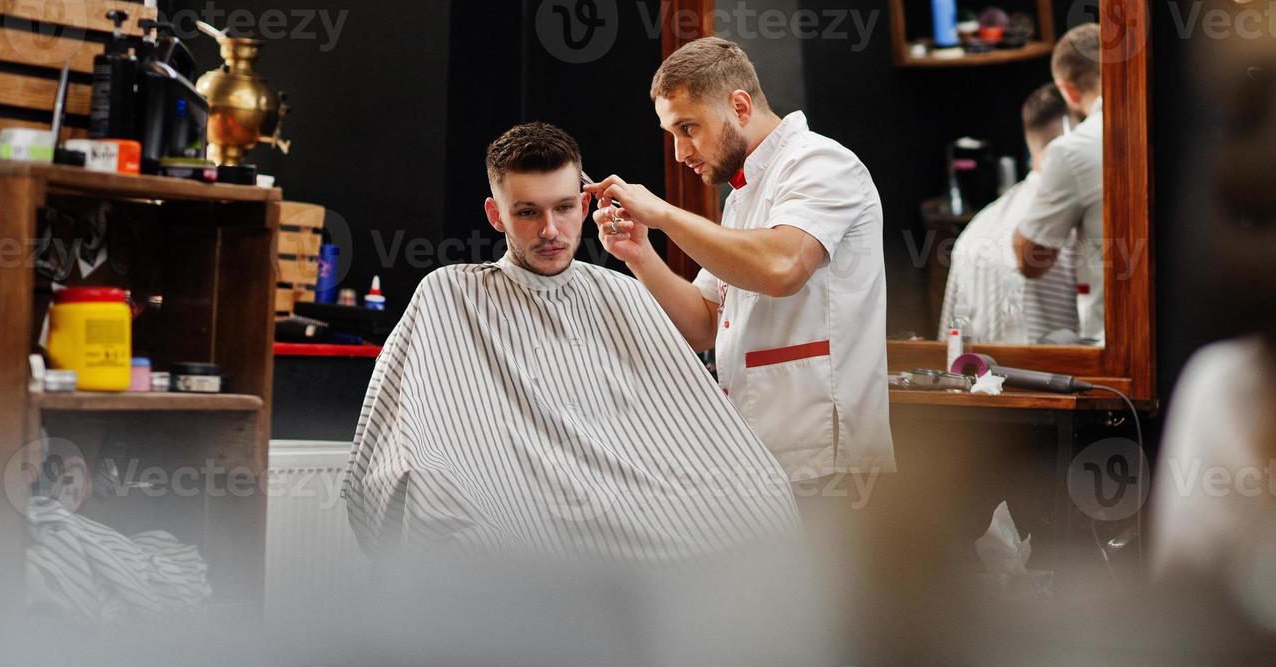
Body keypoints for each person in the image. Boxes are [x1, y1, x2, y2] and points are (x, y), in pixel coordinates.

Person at [345, 122, 798, 562]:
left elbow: (692, 428)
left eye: (563, 208)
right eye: (527, 212)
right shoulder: (451, 294)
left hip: (645, 506)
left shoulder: (623, 293)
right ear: (495, 215)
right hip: (518, 517)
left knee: (760, 506)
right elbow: (403, 447)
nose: (550, 230)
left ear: (585, 206)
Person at [586, 37, 893, 503]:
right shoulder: (743, 196)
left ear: (740, 106)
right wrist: (640, 254)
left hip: (830, 464)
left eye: (688, 128)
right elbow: (703, 325)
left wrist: (663, 214)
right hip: (757, 460)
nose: (679, 152)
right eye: (671, 134)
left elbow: (781, 266)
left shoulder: (822, 163)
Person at [939, 84, 1081, 344]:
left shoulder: (976, 229)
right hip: (1069, 380)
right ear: (1077, 135)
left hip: (984, 383)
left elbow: (952, 351)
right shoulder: (1078, 225)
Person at [1014, 23, 1106, 344]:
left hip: (1113, 342)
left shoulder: (1072, 150)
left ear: (1066, 90)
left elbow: (1032, 261)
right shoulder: (1180, 122)